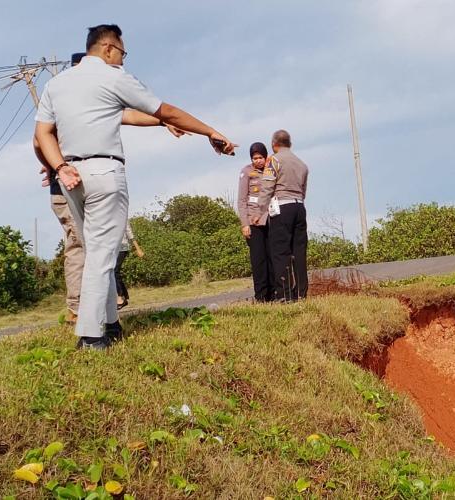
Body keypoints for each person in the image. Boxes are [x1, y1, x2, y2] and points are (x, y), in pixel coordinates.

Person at [34, 24, 237, 350]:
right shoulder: (113, 77)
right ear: (108, 48)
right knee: (102, 256)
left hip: (71, 175)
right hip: (105, 172)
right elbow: (164, 109)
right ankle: (91, 337)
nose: (122, 60)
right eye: (122, 53)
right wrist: (210, 131)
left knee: (97, 252)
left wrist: (58, 166)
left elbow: (41, 135)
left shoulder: (55, 85)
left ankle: (111, 324)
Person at [35, 52, 185, 324]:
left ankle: (101, 313)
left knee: (97, 247)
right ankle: (80, 311)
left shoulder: (92, 106)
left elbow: (129, 115)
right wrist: (55, 166)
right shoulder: (63, 104)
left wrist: (163, 120)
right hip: (69, 187)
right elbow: (39, 140)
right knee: (82, 247)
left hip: (83, 182)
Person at [255, 130, 308, 302]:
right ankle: (301, 293)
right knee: (299, 251)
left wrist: (260, 210)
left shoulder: (274, 160)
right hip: (299, 206)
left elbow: (267, 186)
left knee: (280, 251)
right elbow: (303, 190)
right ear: (290, 144)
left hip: (282, 208)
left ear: (274, 144)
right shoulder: (302, 164)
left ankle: (285, 294)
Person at [238, 142, 274, 302]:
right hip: (253, 221)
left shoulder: (271, 170)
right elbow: (241, 200)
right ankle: (261, 296)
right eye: (255, 158)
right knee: (258, 260)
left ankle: (274, 294)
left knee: (272, 258)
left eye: (260, 157)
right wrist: (245, 224)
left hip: (271, 219)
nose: (258, 161)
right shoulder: (246, 172)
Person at [114, 221, 143, 310]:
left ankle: (120, 297)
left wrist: (138, 249)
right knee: (112, 272)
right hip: (111, 248)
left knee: (115, 270)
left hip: (122, 247)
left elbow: (129, 232)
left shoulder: (122, 215)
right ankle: (124, 296)